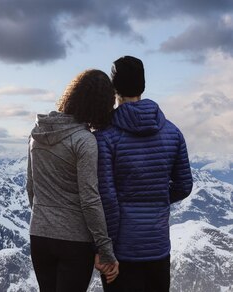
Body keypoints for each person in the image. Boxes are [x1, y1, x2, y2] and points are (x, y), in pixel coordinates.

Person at [95, 56, 194, 292]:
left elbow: (107, 198)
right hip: (158, 247)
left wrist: (104, 249)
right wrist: (156, 197)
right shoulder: (173, 132)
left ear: (114, 88)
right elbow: (184, 185)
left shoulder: (105, 136)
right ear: (143, 85)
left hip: (122, 251)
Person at [26, 69, 119, 292]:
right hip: (74, 241)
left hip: (39, 236)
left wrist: (45, 218)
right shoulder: (84, 140)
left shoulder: (36, 134)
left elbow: (31, 186)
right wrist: (105, 250)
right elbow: (89, 199)